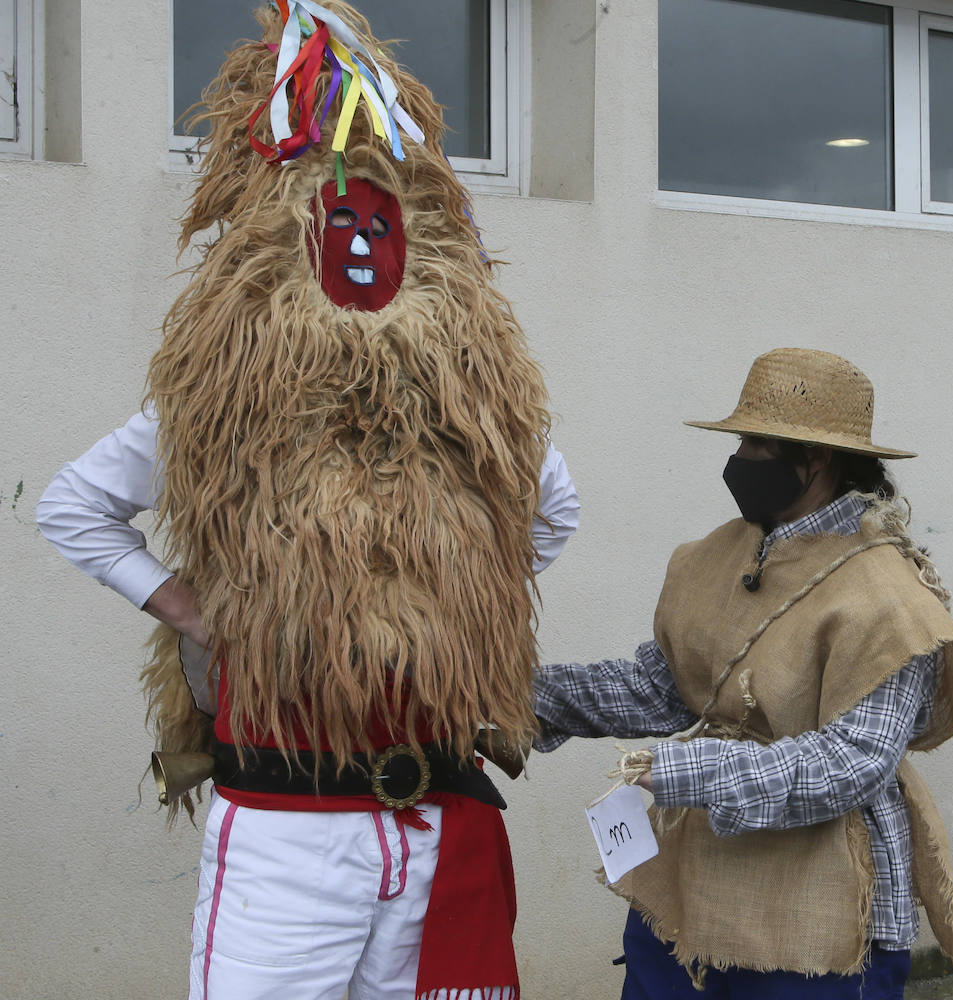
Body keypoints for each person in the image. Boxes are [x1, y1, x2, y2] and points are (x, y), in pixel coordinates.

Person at [35, 3, 578, 998]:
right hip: (287, 826)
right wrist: (194, 609)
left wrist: (452, 595)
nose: (364, 246)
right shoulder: (219, 408)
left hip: (429, 822)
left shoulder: (469, 413)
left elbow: (552, 507)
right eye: (342, 223)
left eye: (383, 223)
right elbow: (72, 507)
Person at [533, 348, 953, 999]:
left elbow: (853, 763)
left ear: (815, 458)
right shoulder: (719, 553)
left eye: (752, 442)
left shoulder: (891, 595)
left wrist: (693, 770)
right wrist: (519, 692)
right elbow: (659, 691)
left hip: (819, 914)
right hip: (693, 886)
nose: (738, 458)